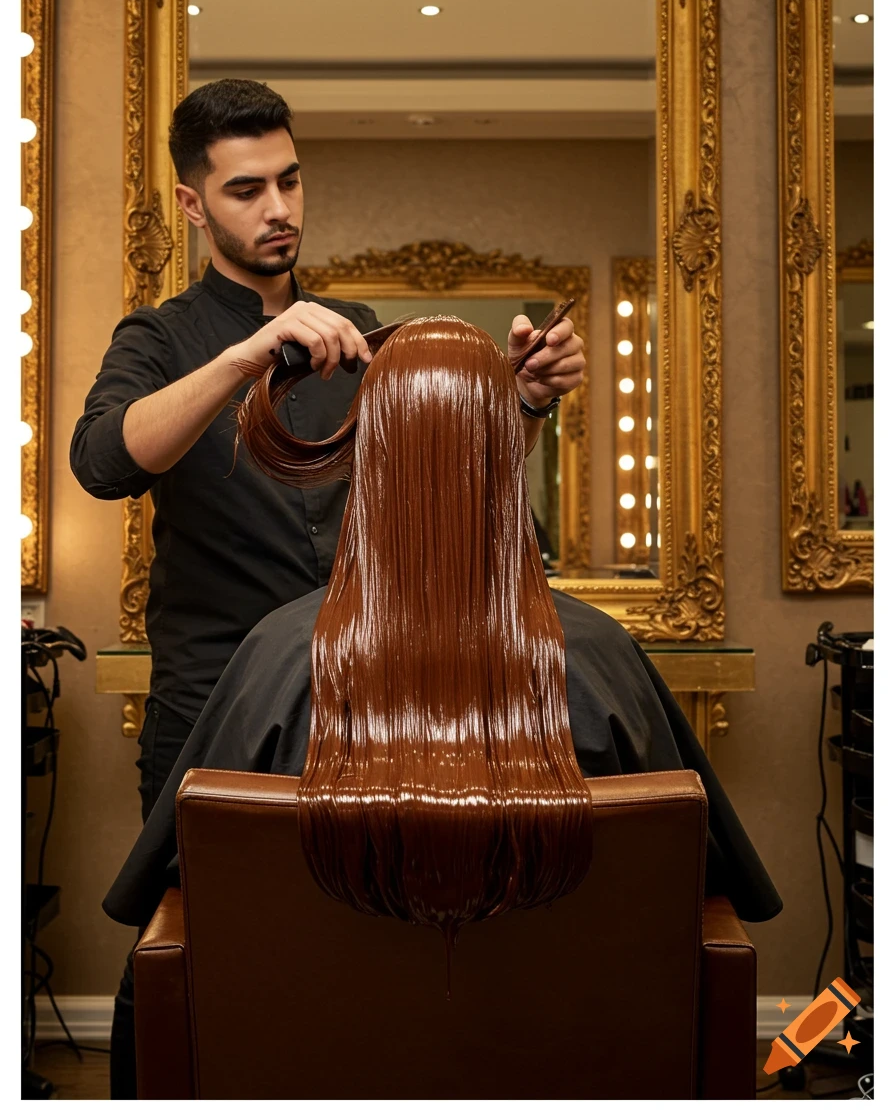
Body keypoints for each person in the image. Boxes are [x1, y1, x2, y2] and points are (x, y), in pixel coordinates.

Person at [72, 81, 585, 1095]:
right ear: (192, 204)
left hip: (358, 701)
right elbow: (102, 458)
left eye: (290, 179)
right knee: (182, 947)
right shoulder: (163, 337)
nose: (279, 208)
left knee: (336, 960)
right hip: (210, 706)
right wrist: (246, 354)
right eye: (247, 188)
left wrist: (518, 403)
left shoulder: (360, 333)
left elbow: (452, 482)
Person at [104, 318, 781, 943]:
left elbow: (185, 882)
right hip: (561, 1050)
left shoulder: (275, 656)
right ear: (503, 457)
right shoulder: (601, 657)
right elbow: (691, 874)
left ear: (368, 456)